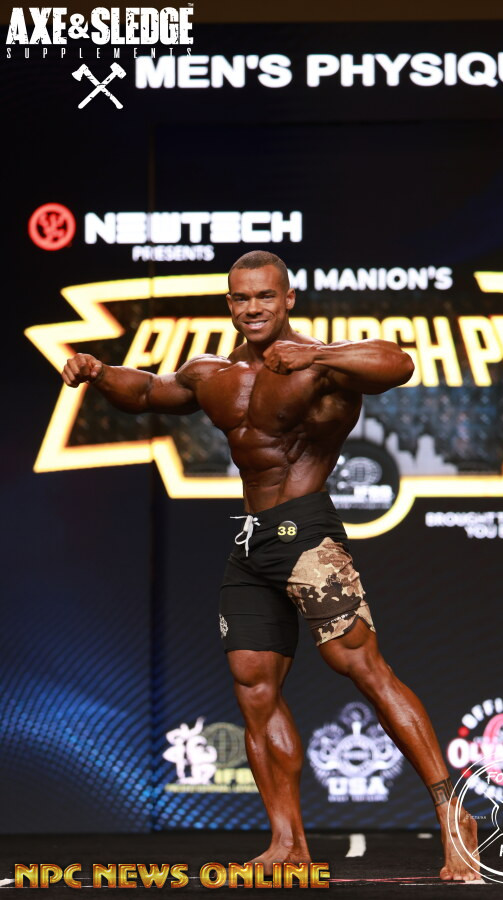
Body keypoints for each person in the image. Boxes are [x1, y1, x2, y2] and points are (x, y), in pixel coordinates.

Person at [62, 250, 480, 882]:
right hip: (252, 544)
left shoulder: (323, 364)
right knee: (254, 689)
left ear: (288, 299)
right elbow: (145, 391)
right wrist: (97, 371)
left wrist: (317, 356)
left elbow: (398, 363)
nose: (252, 307)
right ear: (229, 303)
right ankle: (288, 843)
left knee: (363, 669)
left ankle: (454, 817)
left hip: (307, 536)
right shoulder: (212, 372)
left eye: (264, 296)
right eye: (241, 297)